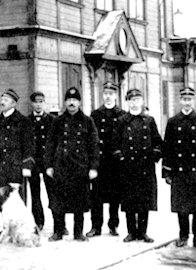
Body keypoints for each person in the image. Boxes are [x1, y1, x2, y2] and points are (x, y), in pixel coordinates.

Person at [162, 87, 196, 251]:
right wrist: (167, 171)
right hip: (179, 171)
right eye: (184, 99)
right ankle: (183, 236)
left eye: (189, 99)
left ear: (194, 101)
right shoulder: (173, 122)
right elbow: (168, 148)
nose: (187, 102)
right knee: (182, 208)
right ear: (180, 101)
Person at [44, 87, 99, 242]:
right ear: (65, 102)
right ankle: (58, 231)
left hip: (80, 167)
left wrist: (93, 167)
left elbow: (94, 146)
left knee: (79, 202)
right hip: (61, 167)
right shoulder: (57, 121)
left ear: (79, 102)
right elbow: (50, 144)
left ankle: (78, 232)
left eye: (74, 100)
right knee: (58, 203)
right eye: (69, 100)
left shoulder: (88, 121)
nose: (71, 103)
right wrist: (49, 165)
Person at [116, 88, 163, 243]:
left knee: (144, 201)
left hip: (145, 166)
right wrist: (121, 157)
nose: (135, 103)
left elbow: (158, 142)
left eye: (137, 100)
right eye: (131, 100)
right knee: (129, 200)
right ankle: (131, 232)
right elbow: (115, 143)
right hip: (128, 167)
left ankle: (143, 232)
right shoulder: (122, 121)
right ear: (127, 102)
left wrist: (154, 155)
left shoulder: (149, 121)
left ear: (142, 102)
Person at [0, 89, 35, 226]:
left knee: (16, 199)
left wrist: (26, 166)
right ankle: (6, 227)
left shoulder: (23, 121)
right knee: (1, 199)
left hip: (15, 167)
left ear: (13, 103)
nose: (2, 102)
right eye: (2, 99)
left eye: (6, 100)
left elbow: (28, 145)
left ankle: (18, 228)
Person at [88, 81, 126, 237]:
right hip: (100, 160)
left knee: (115, 196)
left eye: (111, 94)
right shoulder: (95, 114)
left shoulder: (122, 114)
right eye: (106, 94)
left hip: (115, 162)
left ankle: (113, 225)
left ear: (116, 95)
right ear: (102, 95)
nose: (108, 96)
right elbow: (91, 138)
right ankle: (96, 226)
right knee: (96, 195)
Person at [28, 91, 54, 231]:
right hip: (33, 162)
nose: (38, 105)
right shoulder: (27, 121)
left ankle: (59, 224)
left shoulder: (52, 120)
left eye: (41, 102)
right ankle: (38, 222)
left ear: (44, 103)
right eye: (36, 102)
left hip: (48, 161)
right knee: (35, 194)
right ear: (31, 103)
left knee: (53, 192)